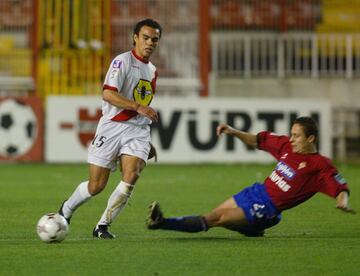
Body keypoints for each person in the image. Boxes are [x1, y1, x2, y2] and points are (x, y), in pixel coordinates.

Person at [146, 117, 355, 237]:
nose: (291, 139)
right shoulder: (286, 146)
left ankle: (162, 222)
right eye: (291, 134)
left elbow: (339, 186)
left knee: (213, 219)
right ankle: (253, 230)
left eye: (297, 136)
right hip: (256, 192)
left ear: (310, 138)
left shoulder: (319, 165)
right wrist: (232, 131)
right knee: (217, 214)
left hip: (268, 208)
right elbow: (257, 140)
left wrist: (342, 201)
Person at [58, 18, 162, 239]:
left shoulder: (152, 70)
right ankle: (66, 210)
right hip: (112, 127)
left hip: (137, 130)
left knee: (132, 174)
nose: (150, 43)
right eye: (145, 38)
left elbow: (141, 104)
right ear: (135, 38)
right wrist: (138, 107)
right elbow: (108, 94)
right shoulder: (121, 62)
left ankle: (102, 226)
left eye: (154, 39)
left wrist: (144, 139)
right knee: (96, 186)